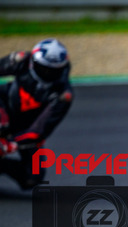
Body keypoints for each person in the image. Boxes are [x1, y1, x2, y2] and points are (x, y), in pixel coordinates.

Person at [0, 38, 73, 189]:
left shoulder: (63, 95)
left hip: (25, 128)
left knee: (32, 177)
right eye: (43, 68)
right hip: (5, 107)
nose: (47, 73)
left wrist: (11, 144)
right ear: (34, 61)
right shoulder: (21, 59)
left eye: (53, 70)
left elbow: (40, 130)